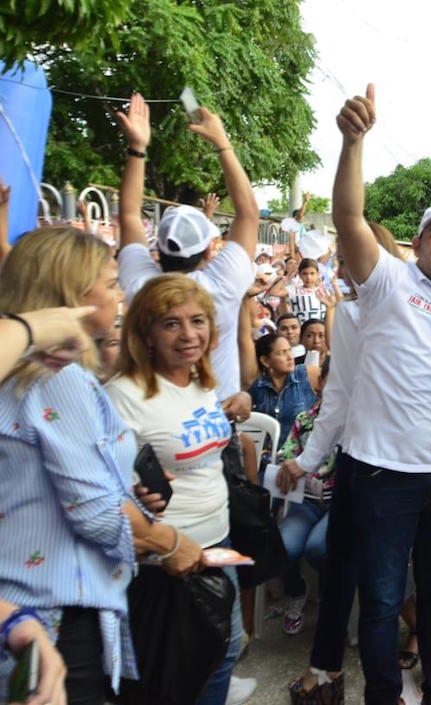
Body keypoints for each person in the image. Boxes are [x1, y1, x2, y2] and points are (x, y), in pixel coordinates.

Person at [296, 83, 431, 705]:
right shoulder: (387, 281)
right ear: (419, 243)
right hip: (380, 472)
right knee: (377, 599)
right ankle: (381, 695)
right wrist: (353, 142)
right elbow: (348, 218)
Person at [0, 228, 199, 705]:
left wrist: (127, 492)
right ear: (72, 294)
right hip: (54, 619)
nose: (121, 293)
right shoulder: (56, 377)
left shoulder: (22, 369)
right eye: (110, 283)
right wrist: (168, 542)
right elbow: (93, 510)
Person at [105, 274, 254, 705]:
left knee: (225, 648)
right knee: (174, 671)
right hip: (165, 560)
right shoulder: (122, 396)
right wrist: (135, 496)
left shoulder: (201, 382)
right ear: (146, 333)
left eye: (197, 321)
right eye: (171, 323)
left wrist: (238, 406)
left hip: (217, 541)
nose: (189, 335)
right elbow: (105, 489)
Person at [286, 220, 402, 704]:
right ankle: (326, 672)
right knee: (342, 573)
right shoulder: (352, 316)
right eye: (348, 255)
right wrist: (309, 460)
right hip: (358, 465)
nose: (353, 265)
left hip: (414, 468)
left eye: (364, 252)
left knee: (396, 583)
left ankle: (404, 679)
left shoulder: (421, 306)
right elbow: (336, 400)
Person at [115, 93, 256, 405]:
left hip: (152, 421)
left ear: (158, 248)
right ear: (209, 250)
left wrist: (137, 148)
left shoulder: (141, 287)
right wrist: (222, 144)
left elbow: (127, 213)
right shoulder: (223, 284)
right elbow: (248, 213)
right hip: (220, 417)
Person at [275, 357, 335, 636]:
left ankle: (330, 596)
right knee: (283, 547)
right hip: (306, 504)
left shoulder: (356, 423)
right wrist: (290, 465)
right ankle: (296, 591)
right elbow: (286, 454)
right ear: (320, 383)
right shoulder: (304, 420)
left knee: (319, 548)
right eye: (331, 378)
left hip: (339, 506)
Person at [247, 334, 319, 448]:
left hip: (301, 456)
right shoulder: (256, 388)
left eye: (290, 350)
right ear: (265, 361)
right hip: (268, 458)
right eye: (282, 353)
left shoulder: (307, 374)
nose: (290, 357)